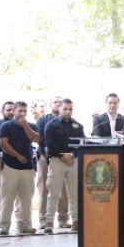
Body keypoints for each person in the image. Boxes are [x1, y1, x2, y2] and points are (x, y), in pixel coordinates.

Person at [0, 102, 40, 236]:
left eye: (25, 111)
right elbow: (3, 143)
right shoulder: (6, 126)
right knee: (7, 197)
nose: (22, 113)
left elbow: (37, 139)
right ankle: (4, 225)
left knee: (27, 198)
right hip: (10, 166)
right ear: (13, 112)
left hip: (28, 167)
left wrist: (25, 125)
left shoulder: (31, 125)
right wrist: (18, 156)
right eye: (20, 110)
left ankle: (25, 224)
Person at [41, 99, 84, 233]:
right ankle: (49, 222)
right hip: (56, 160)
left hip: (73, 161)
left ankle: (76, 220)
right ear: (59, 109)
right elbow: (49, 144)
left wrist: (71, 155)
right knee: (53, 192)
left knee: (74, 193)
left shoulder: (78, 126)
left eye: (70, 109)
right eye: (65, 109)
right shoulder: (51, 125)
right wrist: (62, 155)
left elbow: (81, 144)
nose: (67, 112)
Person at [36, 96, 61, 222]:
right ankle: (43, 219)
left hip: (62, 159)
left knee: (63, 190)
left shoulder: (69, 122)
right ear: (50, 105)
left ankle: (63, 219)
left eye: (60, 102)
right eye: (55, 102)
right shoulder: (42, 120)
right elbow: (40, 139)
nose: (58, 104)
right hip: (44, 158)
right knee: (44, 188)